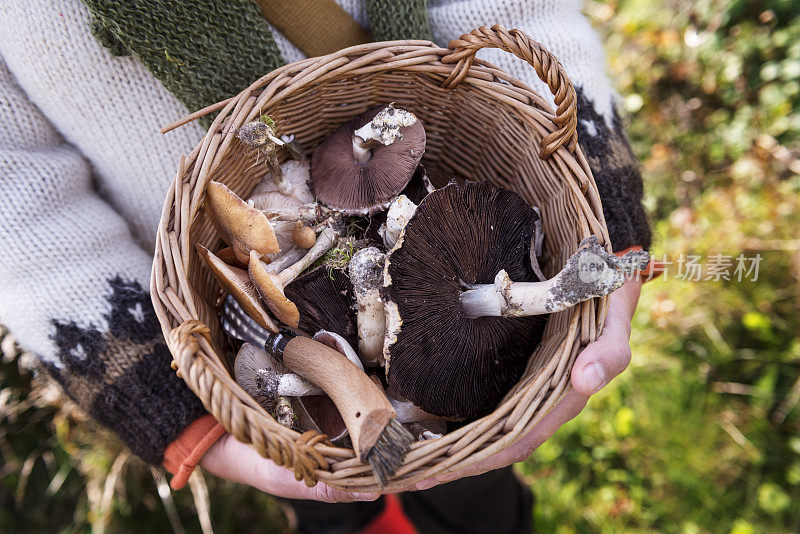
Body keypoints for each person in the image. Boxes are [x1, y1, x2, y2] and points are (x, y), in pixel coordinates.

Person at [0, 1, 654, 532]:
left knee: (475, 494)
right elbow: (16, 208)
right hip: (237, 357)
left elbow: (513, 11)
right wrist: (174, 408)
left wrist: (600, 210)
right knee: (331, 502)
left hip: (438, 214)